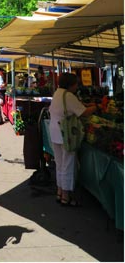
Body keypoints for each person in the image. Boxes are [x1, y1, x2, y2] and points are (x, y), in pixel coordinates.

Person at [48, 73, 97, 207]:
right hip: (66, 134)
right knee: (68, 164)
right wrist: (95, 107)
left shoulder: (58, 93)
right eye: (76, 83)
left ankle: (59, 192)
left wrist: (87, 104)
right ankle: (65, 196)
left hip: (54, 131)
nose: (77, 86)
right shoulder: (68, 96)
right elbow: (83, 112)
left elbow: (73, 107)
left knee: (59, 163)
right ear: (70, 84)